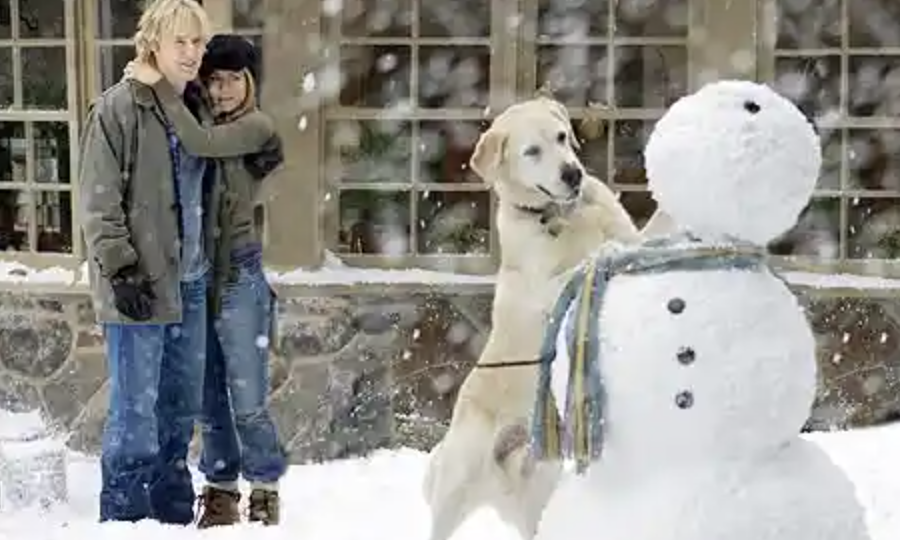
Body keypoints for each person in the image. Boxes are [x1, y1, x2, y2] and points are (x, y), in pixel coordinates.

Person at [126, 34, 287, 527]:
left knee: (248, 400)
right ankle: (220, 488)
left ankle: (264, 484)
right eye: (213, 80)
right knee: (209, 397)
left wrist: (160, 89)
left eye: (232, 80)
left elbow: (202, 144)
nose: (221, 91)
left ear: (249, 81)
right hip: (198, 275)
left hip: (238, 275)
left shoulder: (255, 126)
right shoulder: (193, 119)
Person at [78, 0, 223, 525]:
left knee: (179, 414)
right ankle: (125, 520)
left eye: (198, 43)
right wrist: (119, 267)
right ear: (153, 44)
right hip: (138, 284)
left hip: (190, 283)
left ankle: (172, 515)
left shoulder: (198, 110)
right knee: (135, 417)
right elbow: (97, 199)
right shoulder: (117, 109)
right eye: (180, 41)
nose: (191, 53)